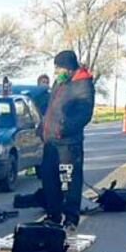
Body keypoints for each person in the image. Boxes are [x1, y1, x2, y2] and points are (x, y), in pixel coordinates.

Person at [40, 50, 95, 233]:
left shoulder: (83, 84)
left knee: (69, 181)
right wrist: (43, 127)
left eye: (59, 67)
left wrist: (62, 129)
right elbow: (51, 108)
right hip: (50, 142)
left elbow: (84, 114)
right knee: (49, 179)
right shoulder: (60, 83)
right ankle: (53, 215)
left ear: (69, 67)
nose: (56, 71)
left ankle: (71, 218)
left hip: (68, 144)